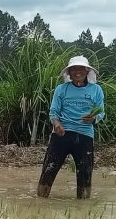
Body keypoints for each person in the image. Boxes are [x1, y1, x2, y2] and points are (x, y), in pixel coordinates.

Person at [37, 55, 105, 199]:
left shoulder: (96, 90)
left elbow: (101, 112)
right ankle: (40, 199)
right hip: (62, 134)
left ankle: (83, 207)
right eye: (74, 69)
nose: (77, 72)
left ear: (87, 71)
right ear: (69, 73)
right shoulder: (61, 89)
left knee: (85, 173)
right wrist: (56, 124)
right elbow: (54, 111)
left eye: (81, 69)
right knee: (49, 169)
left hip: (85, 135)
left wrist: (93, 118)